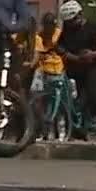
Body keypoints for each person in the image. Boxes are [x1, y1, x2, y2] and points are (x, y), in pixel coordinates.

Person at [55, 0, 96, 142]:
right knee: (79, 99)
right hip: (75, 68)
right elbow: (60, 48)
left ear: (79, 15)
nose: (71, 23)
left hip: (93, 67)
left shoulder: (92, 28)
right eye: (68, 21)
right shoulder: (67, 30)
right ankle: (80, 129)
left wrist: (93, 54)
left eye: (72, 20)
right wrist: (73, 57)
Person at [32, 12, 70, 141]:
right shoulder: (39, 37)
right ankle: (46, 131)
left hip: (59, 70)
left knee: (59, 104)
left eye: (51, 25)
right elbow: (38, 53)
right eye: (47, 25)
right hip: (44, 70)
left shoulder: (60, 34)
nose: (50, 29)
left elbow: (65, 52)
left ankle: (62, 130)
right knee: (43, 103)